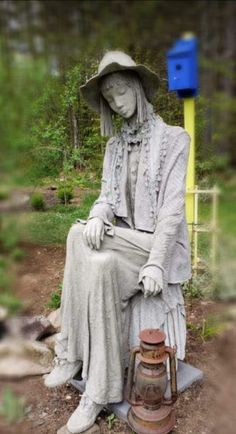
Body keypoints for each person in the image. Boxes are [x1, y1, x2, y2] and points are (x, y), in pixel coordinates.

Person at [44, 51, 191, 433]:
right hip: (122, 243)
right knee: (83, 238)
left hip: (155, 246)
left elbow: (173, 211)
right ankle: (79, 361)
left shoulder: (175, 139)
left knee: (93, 251)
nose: (116, 101)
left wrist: (157, 263)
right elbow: (107, 195)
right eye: (109, 97)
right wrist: (98, 214)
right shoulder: (115, 147)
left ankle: (90, 384)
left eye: (121, 90)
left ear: (139, 87)